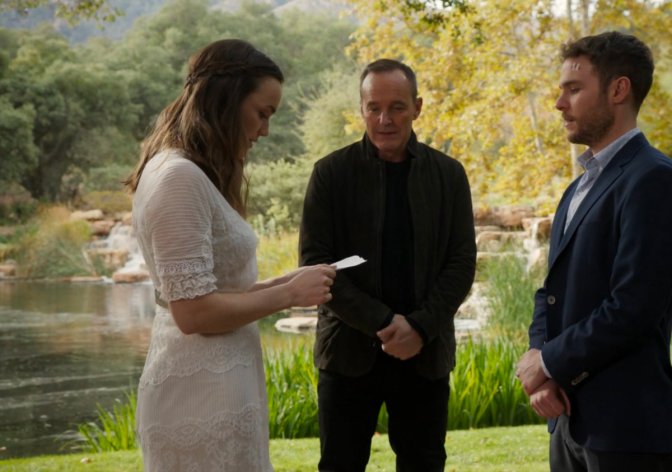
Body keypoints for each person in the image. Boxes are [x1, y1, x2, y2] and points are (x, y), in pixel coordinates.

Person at [125, 39, 336, 471]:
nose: (265, 130)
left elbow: (208, 291)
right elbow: (193, 313)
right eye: (263, 113)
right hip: (200, 397)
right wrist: (288, 296)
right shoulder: (178, 177)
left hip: (219, 387)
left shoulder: (186, 172)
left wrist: (283, 283)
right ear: (226, 100)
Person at [515, 31, 672, 472]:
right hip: (568, 420)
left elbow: (633, 308)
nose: (559, 103)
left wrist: (550, 362)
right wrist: (542, 370)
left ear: (618, 90)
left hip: (627, 426)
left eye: (574, 89)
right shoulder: (576, 189)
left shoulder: (654, 179)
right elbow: (550, 294)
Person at [299, 58, 476, 472]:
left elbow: (461, 263)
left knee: (424, 464)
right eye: (374, 108)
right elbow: (316, 265)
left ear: (417, 107)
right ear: (361, 110)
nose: (385, 119)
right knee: (340, 465)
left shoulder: (448, 175)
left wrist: (419, 327)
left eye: (397, 107)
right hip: (347, 352)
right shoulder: (330, 174)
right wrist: (383, 322)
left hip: (424, 353)